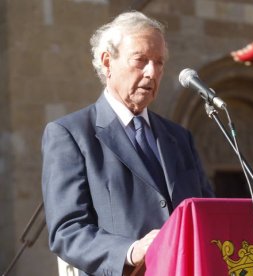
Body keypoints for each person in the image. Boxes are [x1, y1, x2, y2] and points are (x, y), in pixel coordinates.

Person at [41, 11, 214, 275]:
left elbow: (207, 211)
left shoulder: (179, 138)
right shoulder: (70, 135)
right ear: (107, 62)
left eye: (159, 63)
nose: (152, 72)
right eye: (141, 60)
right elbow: (67, 231)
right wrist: (131, 251)